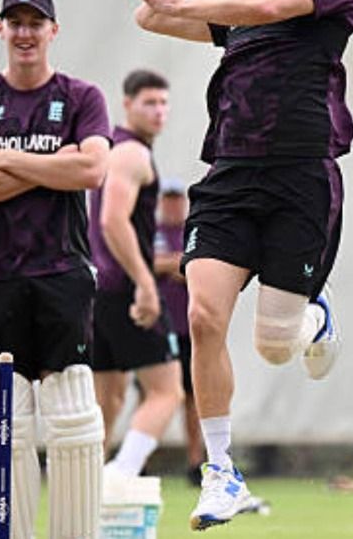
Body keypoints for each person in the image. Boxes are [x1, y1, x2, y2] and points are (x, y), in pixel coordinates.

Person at [127, 0, 353, 529]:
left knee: (275, 346)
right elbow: (152, 15)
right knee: (204, 316)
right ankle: (221, 472)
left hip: (300, 179)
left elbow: (265, 11)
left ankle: (314, 317)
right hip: (230, 177)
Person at [0, 0, 110, 539]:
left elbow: (91, 172)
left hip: (63, 270)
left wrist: (8, 158)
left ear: (52, 31)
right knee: (1, 417)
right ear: (0, 30)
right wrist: (52, 162)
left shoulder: (82, 97)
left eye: (35, 23)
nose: (24, 33)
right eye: (14, 22)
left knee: (71, 415)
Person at [89, 70, 184, 481]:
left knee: (107, 400)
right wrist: (146, 284)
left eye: (164, 102)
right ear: (127, 104)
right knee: (167, 392)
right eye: (149, 102)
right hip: (125, 288)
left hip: (97, 292)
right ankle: (121, 475)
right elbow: (112, 221)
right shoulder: (131, 153)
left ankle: (85, 487)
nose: (159, 111)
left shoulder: (110, 150)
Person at [151, 177, 204, 487]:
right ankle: (141, 461)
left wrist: (171, 265)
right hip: (158, 326)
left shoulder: (193, 230)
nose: (172, 205)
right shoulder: (151, 231)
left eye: (176, 199)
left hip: (187, 327)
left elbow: (198, 266)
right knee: (153, 393)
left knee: (193, 397)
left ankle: (196, 461)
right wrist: (176, 264)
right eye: (168, 199)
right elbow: (145, 264)